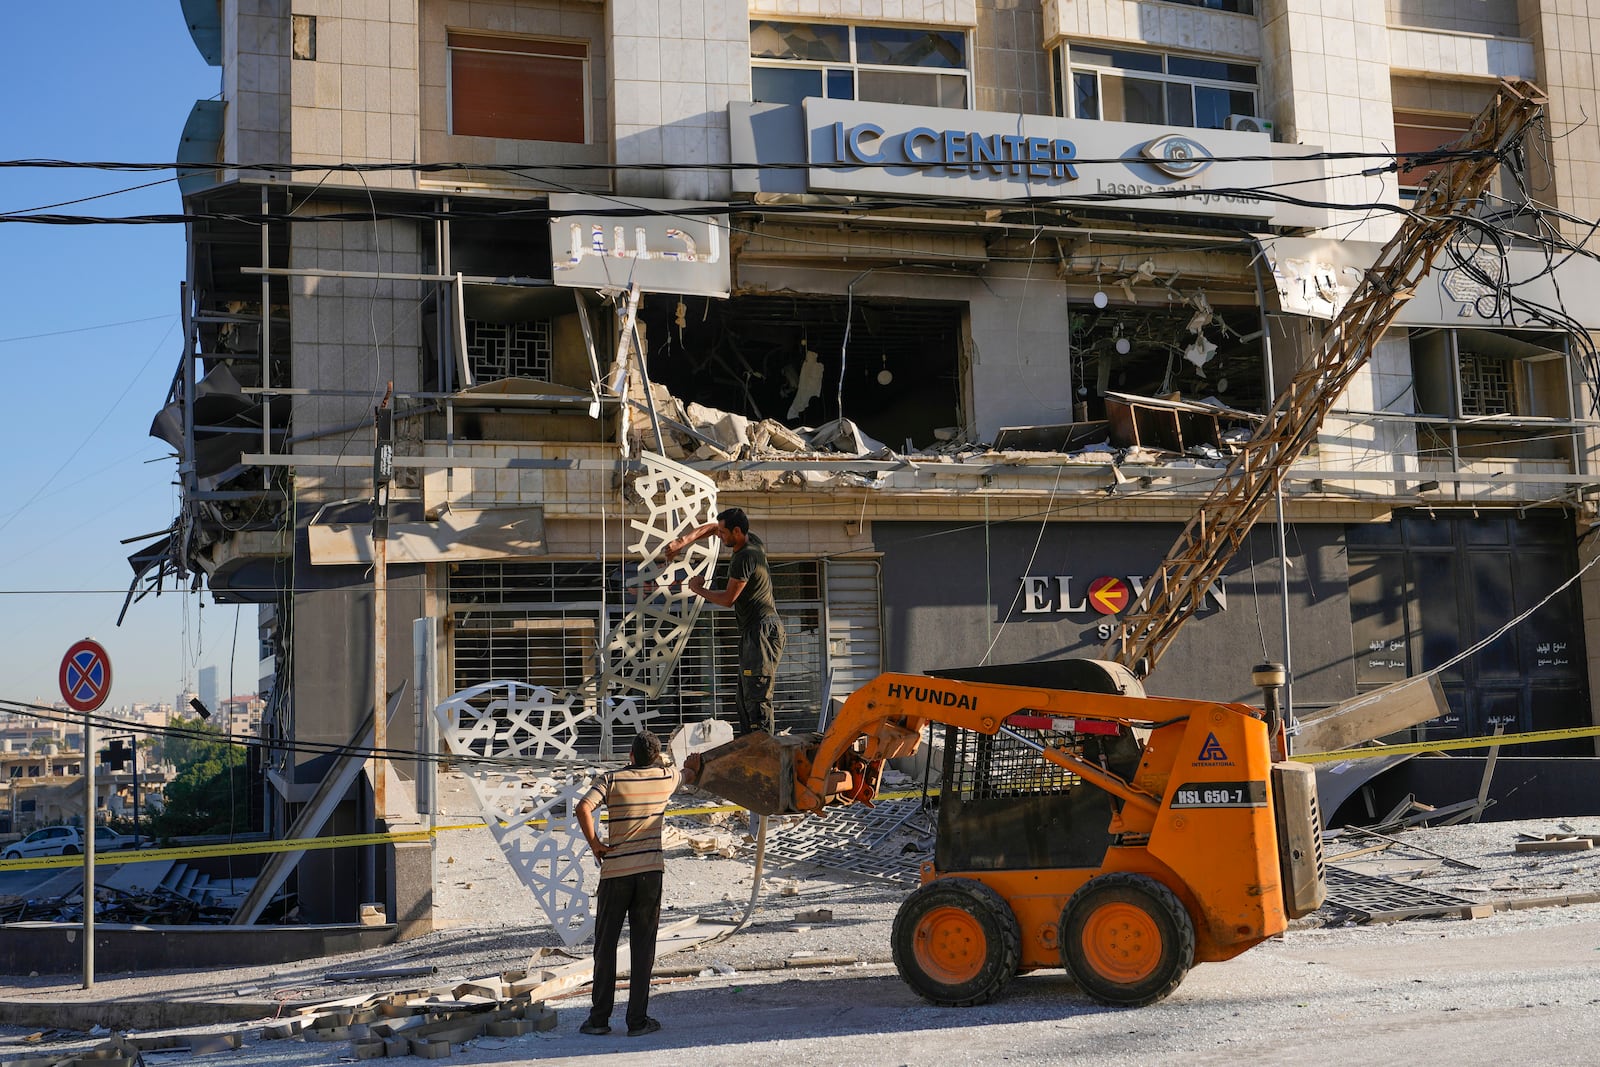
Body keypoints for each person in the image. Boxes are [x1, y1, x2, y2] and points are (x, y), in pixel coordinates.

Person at [575, 730, 686, 1038]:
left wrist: (596, 843)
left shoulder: (610, 780)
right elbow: (687, 772)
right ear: (657, 757)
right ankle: (637, 1021)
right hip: (650, 873)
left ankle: (599, 1019)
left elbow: (583, 808)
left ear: (631, 756)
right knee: (642, 948)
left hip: (615, 874)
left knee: (606, 946)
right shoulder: (666, 778)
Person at [661, 507, 786, 735]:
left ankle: (763, 750)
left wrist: (698, 589)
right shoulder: (750, 540)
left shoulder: (746, 556)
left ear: (736, 531)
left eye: (723, 533)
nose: (719, 536)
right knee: (743, 698)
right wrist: (683, 542)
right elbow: (711, 528)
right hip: (753, 631)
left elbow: (729, 599)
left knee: (756, 698)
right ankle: (750, 747)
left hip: (762, 631)